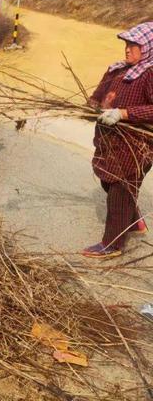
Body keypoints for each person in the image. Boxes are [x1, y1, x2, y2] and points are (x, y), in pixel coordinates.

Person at [82, 22, 153, 258]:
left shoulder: (150, 73)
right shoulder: (117, 70)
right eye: (126, 44)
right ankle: (134, 222)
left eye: (135, 45)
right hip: (108, 141)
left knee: (120, 189)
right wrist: (90, 106)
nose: (127, 49)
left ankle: (112, 244)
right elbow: (99, 94)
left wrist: (124, 113)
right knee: (107, 180)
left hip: (135, 145)